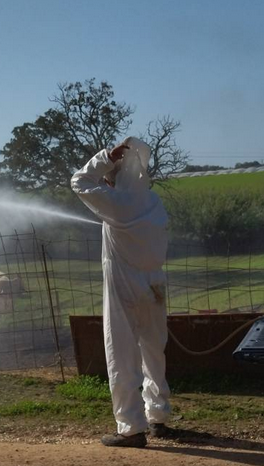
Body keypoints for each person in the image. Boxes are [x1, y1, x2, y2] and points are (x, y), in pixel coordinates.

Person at [70, 137, 172, 448]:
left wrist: (105, 157)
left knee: (123, 354)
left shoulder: (116, 204)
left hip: (124, 288)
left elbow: (79, 180)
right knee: (154, 352)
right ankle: (159, 418)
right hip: (155, 285)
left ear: (116, 175)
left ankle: (130, 428)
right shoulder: (154, 202)